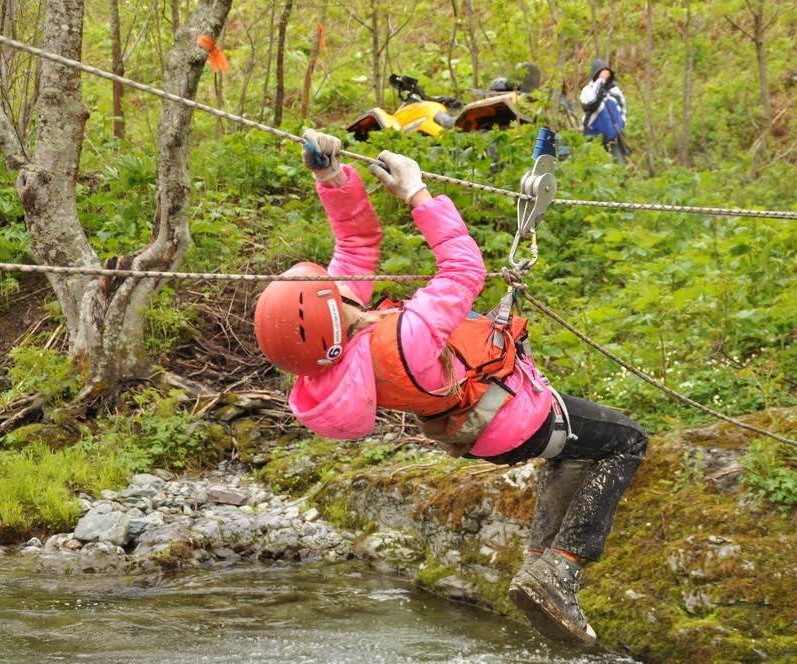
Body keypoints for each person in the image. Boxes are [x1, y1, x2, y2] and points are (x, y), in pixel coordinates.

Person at [253, 130, 648, 646]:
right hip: (517, 417)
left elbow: (355, 242)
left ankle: (537, 569)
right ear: (334, 312)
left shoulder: (339, 355)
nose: (341, 286)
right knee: (626, 442)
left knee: (570, 455)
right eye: (334, 290)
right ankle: (563, 567)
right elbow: (463, 269)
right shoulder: (404, 341)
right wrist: (417, 193)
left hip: (484, 428)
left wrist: (329, 176)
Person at [580, 58, 630, 163]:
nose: (605, 77)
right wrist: (600, 82)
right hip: (594, 138)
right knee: (596, 168)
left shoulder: (613, 90)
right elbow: (592, 103)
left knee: (620, 169)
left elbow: (622, 106)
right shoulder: (588, 90)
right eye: (601, 73)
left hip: (613, 138)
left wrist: (621, 123)